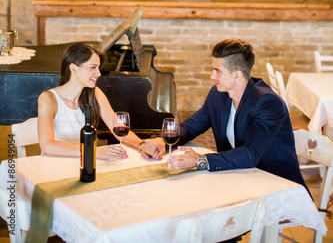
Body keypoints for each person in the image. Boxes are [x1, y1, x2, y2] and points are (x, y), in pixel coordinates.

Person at [144, 38, 307, 189]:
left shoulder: (268, 103)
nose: (212, 76)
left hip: (275, 184)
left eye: (218, 71)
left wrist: (200, 160)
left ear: (237, 75)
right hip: (236, 176)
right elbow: (190, 127)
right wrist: (163, 140)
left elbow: (251, 154)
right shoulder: (218, 94)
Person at [38, 42, 159, 161]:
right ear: (73, 68)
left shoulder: (95, 93)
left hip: (85, 162)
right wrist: (93, 151)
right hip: (55, 165)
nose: (99, 73)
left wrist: (142, 145)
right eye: (93, 67)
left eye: (98, 68)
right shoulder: (48, 99)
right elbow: (47, 147)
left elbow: (118, 128)